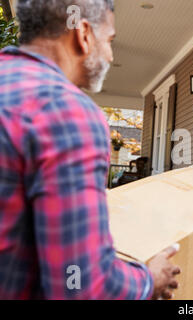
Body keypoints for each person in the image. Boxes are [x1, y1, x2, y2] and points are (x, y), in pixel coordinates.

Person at [0, 0, 180, 299]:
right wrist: (150, 278)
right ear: (83, 34)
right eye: (109, 40)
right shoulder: (65, 110)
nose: (110, 54)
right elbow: (80, 285)